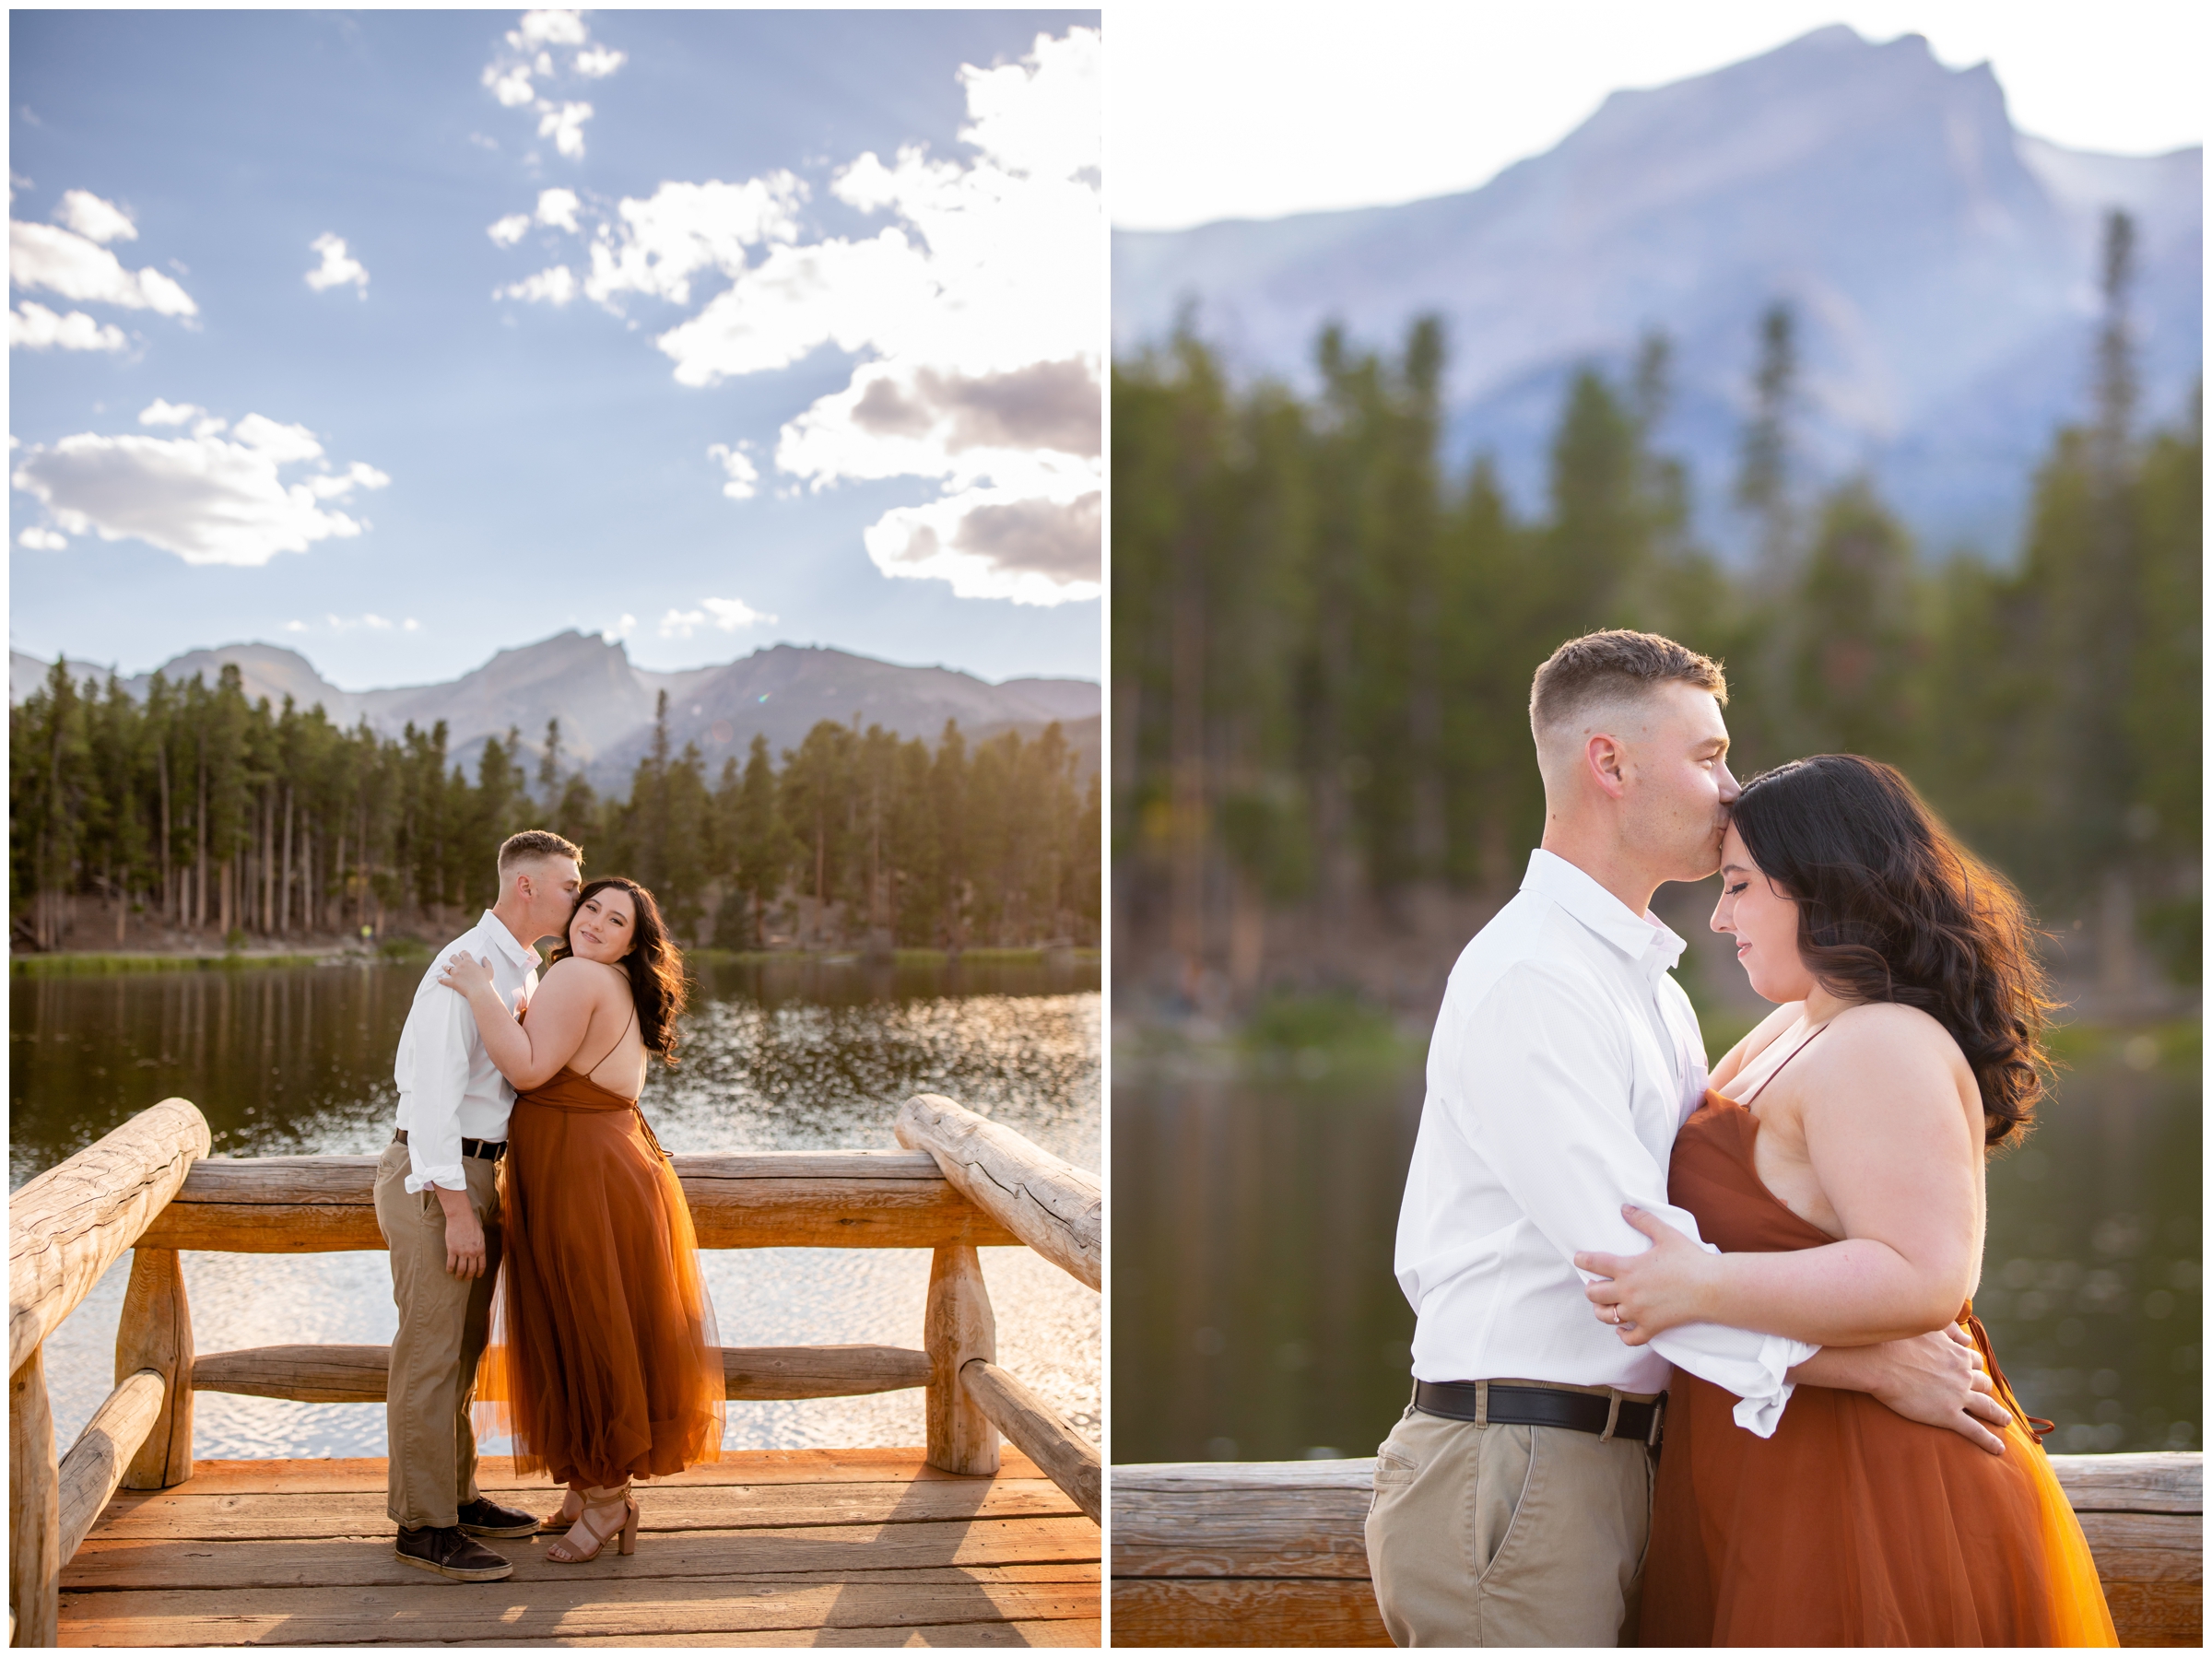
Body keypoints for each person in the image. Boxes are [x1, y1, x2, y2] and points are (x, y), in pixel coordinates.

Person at [1367, 630, 2012, 1647]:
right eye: (1708, 756)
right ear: (1611, 764)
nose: (1731, 786)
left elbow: (1695, 1255)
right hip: (1521, 1459)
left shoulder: (1648, 990)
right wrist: (1867, 1366)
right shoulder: (1537, 977)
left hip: (1614, 1462)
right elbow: (1632, 1265)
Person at [1574, 754, 2117, 1644]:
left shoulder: (1882, 1043)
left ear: (1819, 886)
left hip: (1872, 1493)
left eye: (1741, 886)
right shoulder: (1796, 1023)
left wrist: (1701, 1288)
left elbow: (1923, 1275)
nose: (1719, 917)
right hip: (1768, 1463)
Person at [437, 875, 724, 1565]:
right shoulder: (614, 984)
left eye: (614, 918)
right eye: (589, 907)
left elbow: (531, 1071)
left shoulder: (575, 977)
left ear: (633, 941)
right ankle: (585, 1488)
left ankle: (605, 1504)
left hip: (580, 1177)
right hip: (604, 1170)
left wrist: (478, 991)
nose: (593, 922)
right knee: (593, 1323)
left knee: (585, 1328)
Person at [377, 828, 583, 1582]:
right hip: (440, 1177)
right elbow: (429, 1096)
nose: (576, 896)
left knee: (460, 1355)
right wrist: (456, 1208)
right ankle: (421, 1526)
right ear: (525, 885)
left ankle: (456, 1499)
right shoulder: (464, 964)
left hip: (477, 1173)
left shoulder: (515, 967)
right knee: (430, 1354)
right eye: (568, 884)